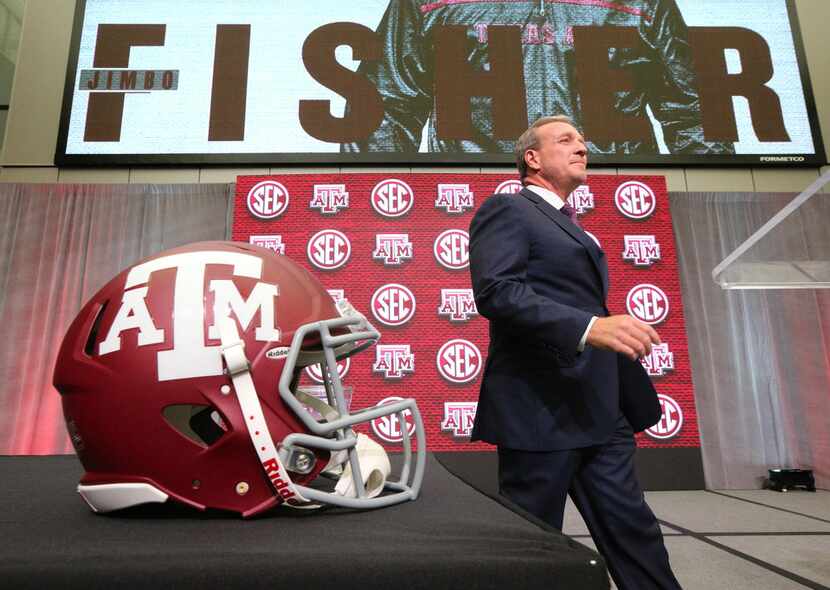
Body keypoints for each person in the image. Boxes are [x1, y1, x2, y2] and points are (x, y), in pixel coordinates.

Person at [468, 115, 682, 590]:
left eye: (583, 140)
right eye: (566, 140)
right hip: (540, 408)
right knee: (533, 547)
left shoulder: (573, 225)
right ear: (532, 158)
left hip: (600, 405)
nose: (581, 147)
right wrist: (590, 327)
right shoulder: (509, 210)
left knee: (635, 531)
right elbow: (498, 292)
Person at [342, 0, 732, 156]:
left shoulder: (642, 2)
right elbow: (385, 109)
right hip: (473, 203)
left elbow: (694, 113)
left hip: (614, 207)